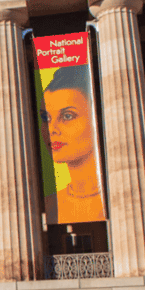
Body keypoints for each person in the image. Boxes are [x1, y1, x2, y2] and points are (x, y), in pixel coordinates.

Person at [39, 65, 105, 224]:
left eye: (67, 116)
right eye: (46, 118)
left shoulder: (121, 198)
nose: (52, 129)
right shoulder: (49, 204)